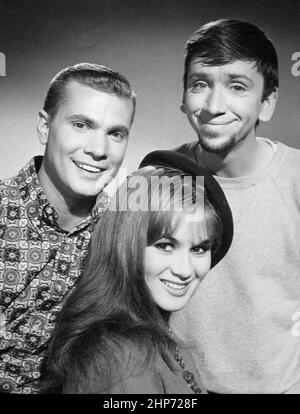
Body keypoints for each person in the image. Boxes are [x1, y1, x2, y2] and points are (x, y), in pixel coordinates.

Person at [170, 18, 300, 393]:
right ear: (183, 97)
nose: (213, 105)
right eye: (200, 84)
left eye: (237, 86)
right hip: (176, 392)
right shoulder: (155, 178)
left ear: (267, 102)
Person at [42, 150, 233, 394]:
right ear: (126, 245)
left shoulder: (146, 333)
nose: (185, 270)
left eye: (199, 248)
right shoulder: (124, 359)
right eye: (165, 246)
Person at [0, 62, 136, 394]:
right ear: (45, 127)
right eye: (81, 125)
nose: (99, 150)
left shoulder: (124, 231)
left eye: (115, 133)